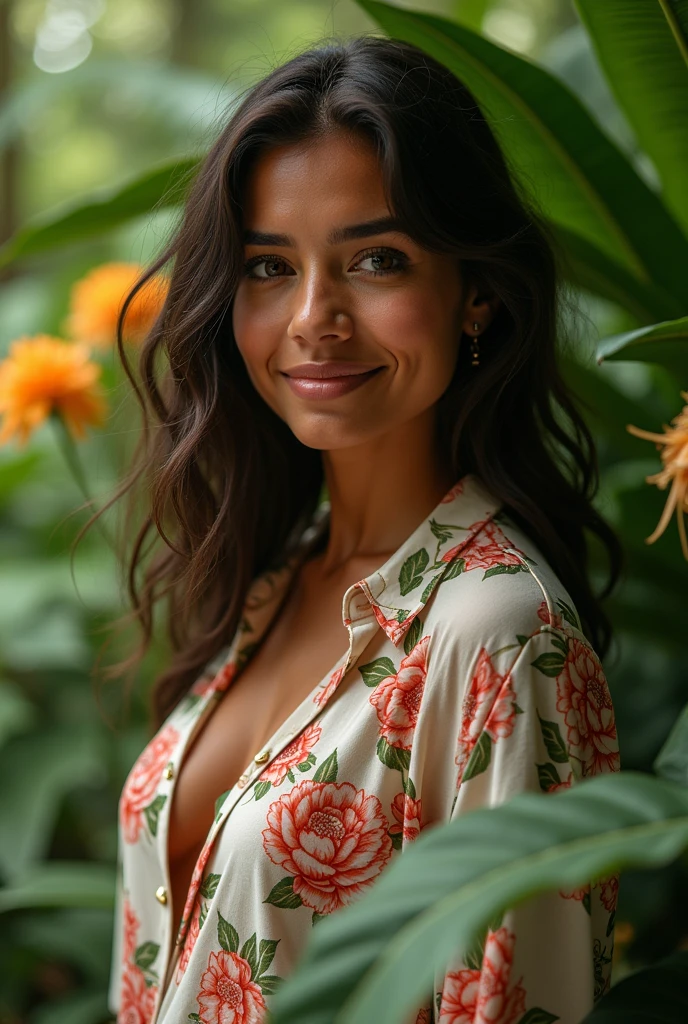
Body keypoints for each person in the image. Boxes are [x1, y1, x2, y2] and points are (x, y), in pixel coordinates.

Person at [103, 36, 623, 1024]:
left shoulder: (499, 636)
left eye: (376, 260)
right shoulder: (273, 581)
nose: (312, 316)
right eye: (267, 266)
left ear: (475, 293)